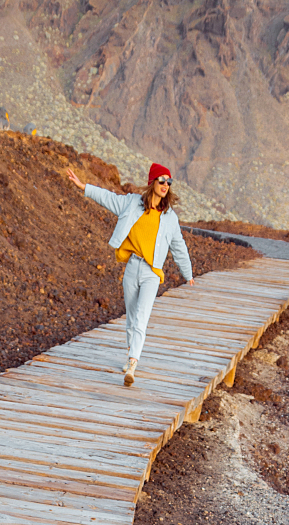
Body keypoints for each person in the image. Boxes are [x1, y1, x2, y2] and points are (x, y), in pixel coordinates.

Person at [65, 161, 193, 384]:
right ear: (152, 182)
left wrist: (188, 273)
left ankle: (133, 363)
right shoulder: (132, 203)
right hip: (133, 266)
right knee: (131, 317)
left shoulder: (170, 217)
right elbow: (109, 198)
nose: (165, 185)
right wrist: (83, 187)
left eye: (169, 182)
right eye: (161, 180)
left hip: (152, 273)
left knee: (142, 317)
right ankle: (129, 354)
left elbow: (178, 246)